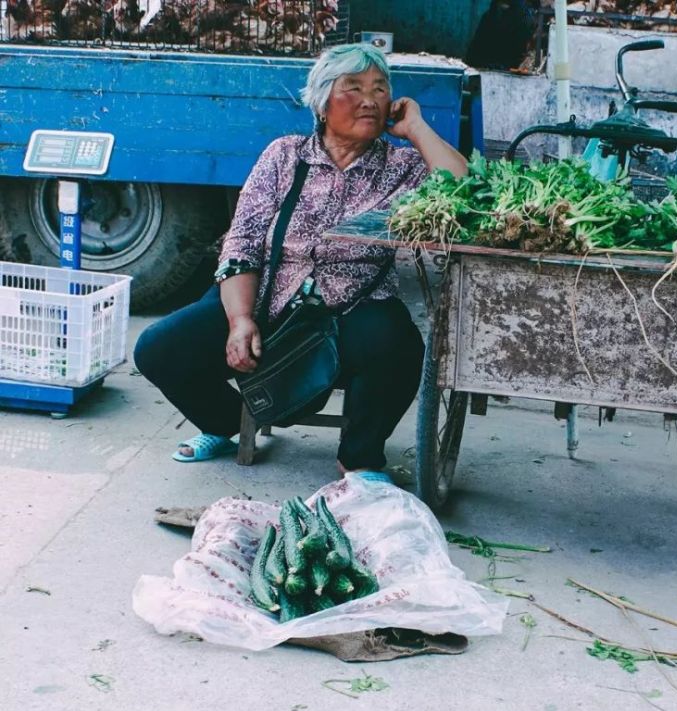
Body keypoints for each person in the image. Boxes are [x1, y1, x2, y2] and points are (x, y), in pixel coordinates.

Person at [134, 44, 468, 479]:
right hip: (269, 293)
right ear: (323, 101)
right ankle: (225, 422)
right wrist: (239, 319)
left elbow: (463, 190)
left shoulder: (403, 166)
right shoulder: (285, 156)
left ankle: (361, 460)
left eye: (380, 89)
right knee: (158, 349)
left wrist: (418, 127)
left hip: (354, 302)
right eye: (354, 88)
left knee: (400, 349)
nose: (370, 99)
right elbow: (244, 240)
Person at [466, 0, 537, 70]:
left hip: (509, 68)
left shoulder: (523, 18)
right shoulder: (489, 16)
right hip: (485, 65)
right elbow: (474, 52)